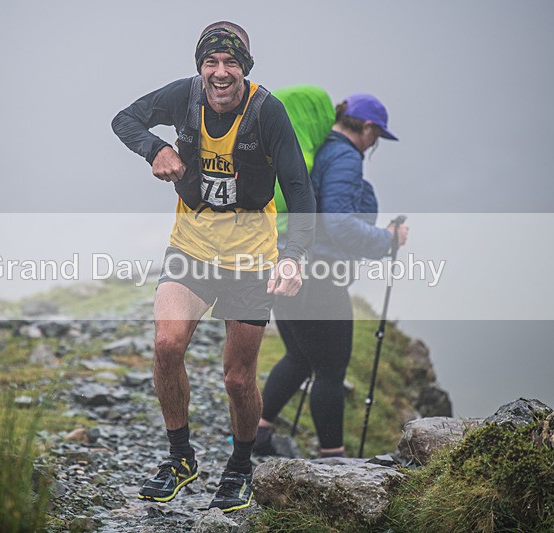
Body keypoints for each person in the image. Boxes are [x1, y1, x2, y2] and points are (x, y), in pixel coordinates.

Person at [111, 21, 315, 512]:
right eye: (211, 63)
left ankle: (240, 466)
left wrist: (293, 258)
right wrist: (155, 149)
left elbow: (300, 190)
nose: (220, 73)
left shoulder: (268, 112)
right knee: (166, 344)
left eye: (231, 64)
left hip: (250, 257)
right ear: (200, 67)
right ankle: (181, 459)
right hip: (192, 247)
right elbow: (124, 120)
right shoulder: (183, 97)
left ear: (244, 68)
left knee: (237, 378)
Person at [255, 93, 408, 458]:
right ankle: (333, 460)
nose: (374, 145)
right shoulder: (343, 156)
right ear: (367, 127)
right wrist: (388, 240)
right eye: (377, 137)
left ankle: (256, 438)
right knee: (331, 369)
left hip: (287, 261)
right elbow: (338, 223)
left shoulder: (320, 151)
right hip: (319, 275)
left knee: (300, 358)